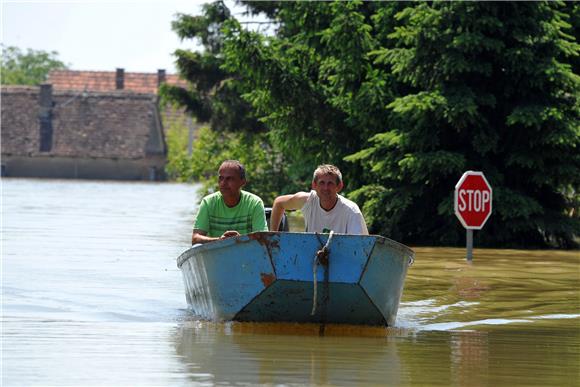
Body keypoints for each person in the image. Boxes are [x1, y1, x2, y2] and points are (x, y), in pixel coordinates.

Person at [269, 164, 369, 234]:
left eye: (330, 183)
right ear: (314, 185)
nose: (326, 188)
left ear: (339, 186)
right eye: (322, 183)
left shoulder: (351, 211)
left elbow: (360, 247)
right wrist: (273, 237)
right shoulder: (307, 201)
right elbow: (279, 203)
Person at [191, 160, 268, 244]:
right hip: (216, 253)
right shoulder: (208, 202)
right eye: (221, 178)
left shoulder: (254, 203)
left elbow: (263, 239)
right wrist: (220, 240)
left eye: (229, 179)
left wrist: (241, 240)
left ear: (243, 182)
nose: (223, 183)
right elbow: (195, 239)